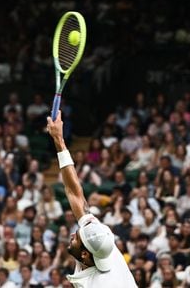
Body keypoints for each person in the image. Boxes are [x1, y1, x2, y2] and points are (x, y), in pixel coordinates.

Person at [46, 111, 137, 287]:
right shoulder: (100, 239)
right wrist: (59, 141)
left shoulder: (101, 284)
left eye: (76, 238)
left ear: (85, 255)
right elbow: (75, 192)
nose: (73, 234)